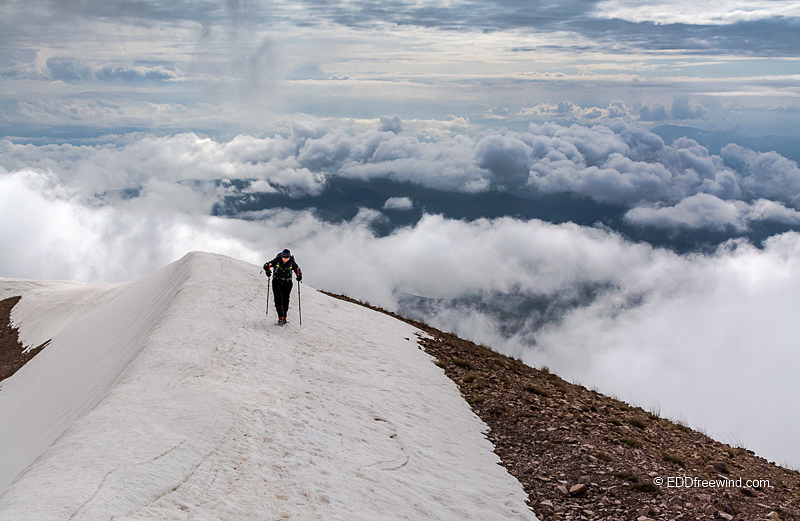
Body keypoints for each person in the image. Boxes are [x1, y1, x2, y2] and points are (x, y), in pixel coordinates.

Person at [263, 249, 302, 325]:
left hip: (287, 283)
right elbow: (267, 265)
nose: (285, 259)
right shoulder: (277, 260)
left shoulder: (292, 262)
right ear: (281, 256)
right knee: (278, 299)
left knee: (285, 300)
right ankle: (281, 317)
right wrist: (267, 270)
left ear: (289, 257)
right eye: (284, 257)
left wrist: (299, 276)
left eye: (287, 257)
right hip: (277, 282)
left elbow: (298, 270)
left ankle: (284, 316)